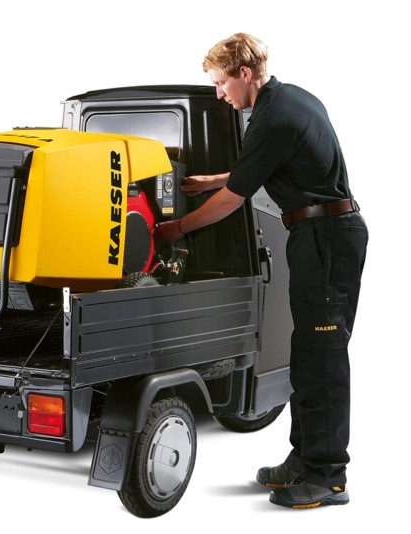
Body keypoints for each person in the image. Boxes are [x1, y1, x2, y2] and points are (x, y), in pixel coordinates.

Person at [157, 33, 368, 509]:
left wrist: (177, 228)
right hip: (319, 235)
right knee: (307, 352)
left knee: (323, 357)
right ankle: (304, 459)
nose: (219, 94)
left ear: (244, 73)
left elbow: (233, 200)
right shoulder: (287, 100)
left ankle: (328, 476)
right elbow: (266, 167)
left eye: (221, 83)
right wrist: (215, 180)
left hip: (327, 237)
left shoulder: (272, 118)